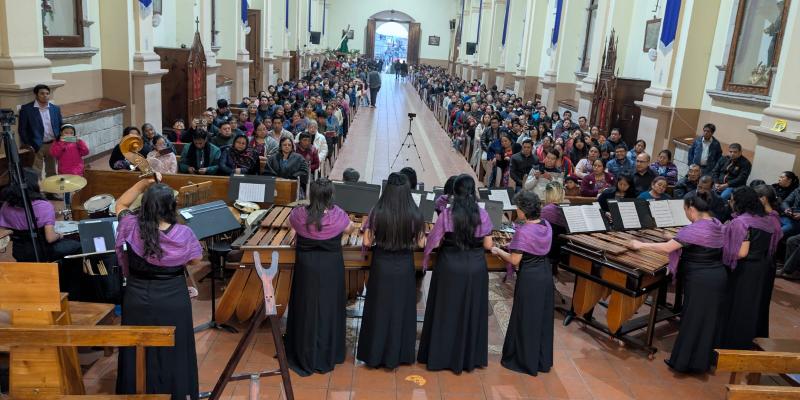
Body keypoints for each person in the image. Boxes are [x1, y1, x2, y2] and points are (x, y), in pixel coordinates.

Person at [113, 173, 202, 398]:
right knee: (175, 347)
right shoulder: (184, 234)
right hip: (173, 298)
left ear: (144, 205)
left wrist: (143, 183)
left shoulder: (130, 225)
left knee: (137, 346)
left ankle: (136, 392)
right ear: (172, 206)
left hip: (137, 297)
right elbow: (195, 260)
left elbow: (120, 204)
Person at [629, 192, 726, 373]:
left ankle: (685, 362)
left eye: (685, 210)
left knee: (692, 319)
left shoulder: (694, 229)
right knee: (708, 321)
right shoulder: (716, 223)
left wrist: (639, 245)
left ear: (691, 209)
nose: (686, 214)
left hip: (700, 280)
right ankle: (702, 360)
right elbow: (699, 242)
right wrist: (673, 238)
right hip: (717, 276)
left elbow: (668, 248)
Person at [419, 174, 493, 373]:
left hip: (450, 267)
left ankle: (441, 356)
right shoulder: (483, 214)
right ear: (473, 191)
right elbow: (488, 244)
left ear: (455, 192)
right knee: (470, 311)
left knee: (446, 311)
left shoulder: (448, 214)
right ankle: (468, 358)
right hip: (475, 268)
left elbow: (435, 242)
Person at [285, 178, 355, 376]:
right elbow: (350, 228)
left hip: (306, 269)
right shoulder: (338, 215)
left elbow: (291, 225)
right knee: (328, 308)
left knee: (305, 306)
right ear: (330, 195)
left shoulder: (299, 214)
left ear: (312, 194)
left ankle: (303, 349)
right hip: (330, 269)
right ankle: (327, 352)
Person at [357, 173, 425, 368]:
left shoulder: (377, 211)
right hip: (404, 265)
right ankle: (399, 354)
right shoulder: (414, 213)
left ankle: (375, 354)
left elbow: (367, 241)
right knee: (400, 309)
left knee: (379, 308)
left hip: (381, 264)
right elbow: (422, 243)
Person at [490, 191, 553, 376]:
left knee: (525, 318)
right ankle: (540, 360)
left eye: (518, 208)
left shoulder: (524, 231)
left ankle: (524, 360)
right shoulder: (546, 224)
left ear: (524, 211)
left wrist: (498, 251)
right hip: (545, 274)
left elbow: (515, 260)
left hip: (530, 278)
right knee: (540, 318)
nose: (516, 210)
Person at [0, 167, 82, 292]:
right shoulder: (44, 206)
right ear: (32, 184)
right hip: (42, 251)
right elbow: (50, 238)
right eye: (39, 179)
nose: (41, 182)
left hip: (19, 251)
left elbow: (6, 230)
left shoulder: (6, 206)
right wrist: (59, 235)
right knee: (77, 247)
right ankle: (70, 287)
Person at [721, 186, 782, 350]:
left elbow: (741, 253)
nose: (730, 202)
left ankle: (735, 345)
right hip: (763, 268)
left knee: (740, 306)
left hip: (746, 269)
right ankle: (753, 341)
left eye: (732, 199)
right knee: (755, 305)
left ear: (739, 202)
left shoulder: (742, 222)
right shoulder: (767, 219)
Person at [18, 84, 63, 177]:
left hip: (52, 144)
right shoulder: (27, 109)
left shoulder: (55, 109)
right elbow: (22, 129)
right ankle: (37, 187)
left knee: (52, 172)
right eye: (42, 93)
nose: (45, 95)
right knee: (35, 173)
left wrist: (59, 141)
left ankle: (50, 187)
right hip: (36, 145)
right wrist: (29, 144)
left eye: (47, 93)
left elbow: (60, 125)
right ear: (36, 95)